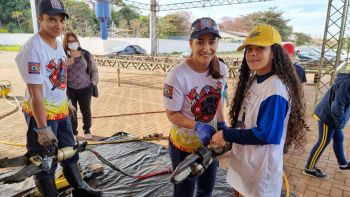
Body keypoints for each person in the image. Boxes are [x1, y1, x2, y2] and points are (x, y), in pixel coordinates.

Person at [15, 0, 102, 196]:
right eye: (52, 20)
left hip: (61, 111)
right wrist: (42, 128)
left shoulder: (56, 45)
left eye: (61, 20)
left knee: (69, 152)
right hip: (42, 114)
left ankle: (79, 188)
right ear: (40, 18)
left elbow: (58, 79)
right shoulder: (33, 48)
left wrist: (67, 101)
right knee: (45, 160)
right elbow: (36, 91)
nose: (58, 25)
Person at [211, 24, 307, 197]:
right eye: (249, 49)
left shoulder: (276, 88)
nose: (253, 53)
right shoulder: (257, 78)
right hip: (243, 164)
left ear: (275, 52)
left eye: (260, 48)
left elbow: (267, 134)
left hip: (260, 173)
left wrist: (227, 134)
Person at [163, 17, 227, 197]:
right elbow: (172, 114)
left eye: (212, 42)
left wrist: (221, 123)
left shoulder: (221, 68)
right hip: (183, 145)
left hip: (210, 143)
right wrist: (196, 125)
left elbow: (218, 97)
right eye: (200, 42)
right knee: (184, 192)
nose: (207, 48)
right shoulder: (177, 76)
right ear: (191, 43)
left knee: (206, 189)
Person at [303, 69, 350, 179]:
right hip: (327, 117)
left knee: (339, 138)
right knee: (324, 141)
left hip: (333, 117)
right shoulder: (347, 84)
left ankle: (343, 164)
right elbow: (337, 107)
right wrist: (340, 124)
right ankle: (309, 168)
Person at [63, 32, 99, 140]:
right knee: (72, 111)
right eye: (70, 41)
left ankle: (87, 130)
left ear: (77, 41)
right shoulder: (62, 55)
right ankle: (73, 132)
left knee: (86, 110)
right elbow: (56, 72)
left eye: (74, 40)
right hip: (70, 89)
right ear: (66, 43)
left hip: (85, 88)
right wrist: (64, 65)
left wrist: (92, 84)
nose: (72, 43)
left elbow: (94, 70)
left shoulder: (86, 54)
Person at [282, 43, 307, 153]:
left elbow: (301, 88)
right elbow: (302, 88)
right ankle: (284, 144)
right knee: (287, 123)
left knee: (285, 123)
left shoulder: (278, 67)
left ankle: (284, 144)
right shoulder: (299, 68)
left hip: (286, 101)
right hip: (290, 101)